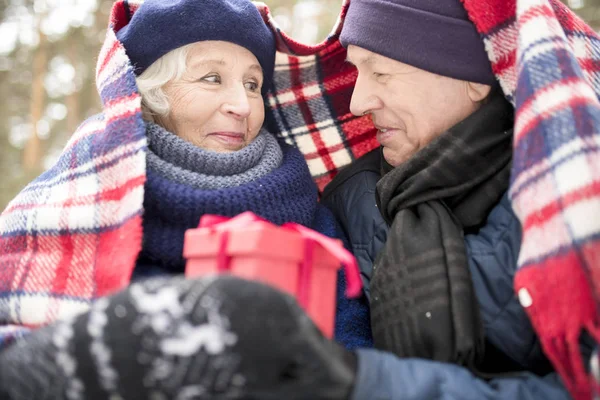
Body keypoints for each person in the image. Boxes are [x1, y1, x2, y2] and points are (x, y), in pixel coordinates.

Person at [0, 0, 371, 398]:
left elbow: (353, 352)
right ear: (154, 92)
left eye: (252, 84)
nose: (242, 105)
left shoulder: (305, 206)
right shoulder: (83, 195)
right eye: (212, 78)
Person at [321, 0, 595, 398]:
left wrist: (365, 383)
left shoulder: (575, 192)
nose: (357, 103)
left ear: (473, 79)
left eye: (380, 71)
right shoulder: (349, 203)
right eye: (357, 71)